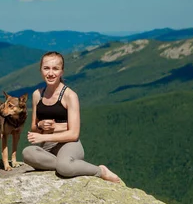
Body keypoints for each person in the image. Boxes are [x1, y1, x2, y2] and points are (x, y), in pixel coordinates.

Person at [22, 51, 122, 183]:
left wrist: (45, 135)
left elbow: (74, 134)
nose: (50, 73)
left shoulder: (70, 96)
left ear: (62, 71)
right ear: (41, 70)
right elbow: (34, 129)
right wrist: (40, 125)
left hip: (69, 145)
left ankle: (100, 170)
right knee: (27, 153)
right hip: (48, 148)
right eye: (46, 68)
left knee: (64, 168)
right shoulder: (37, 95)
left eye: (55, 69)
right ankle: (66, 164)